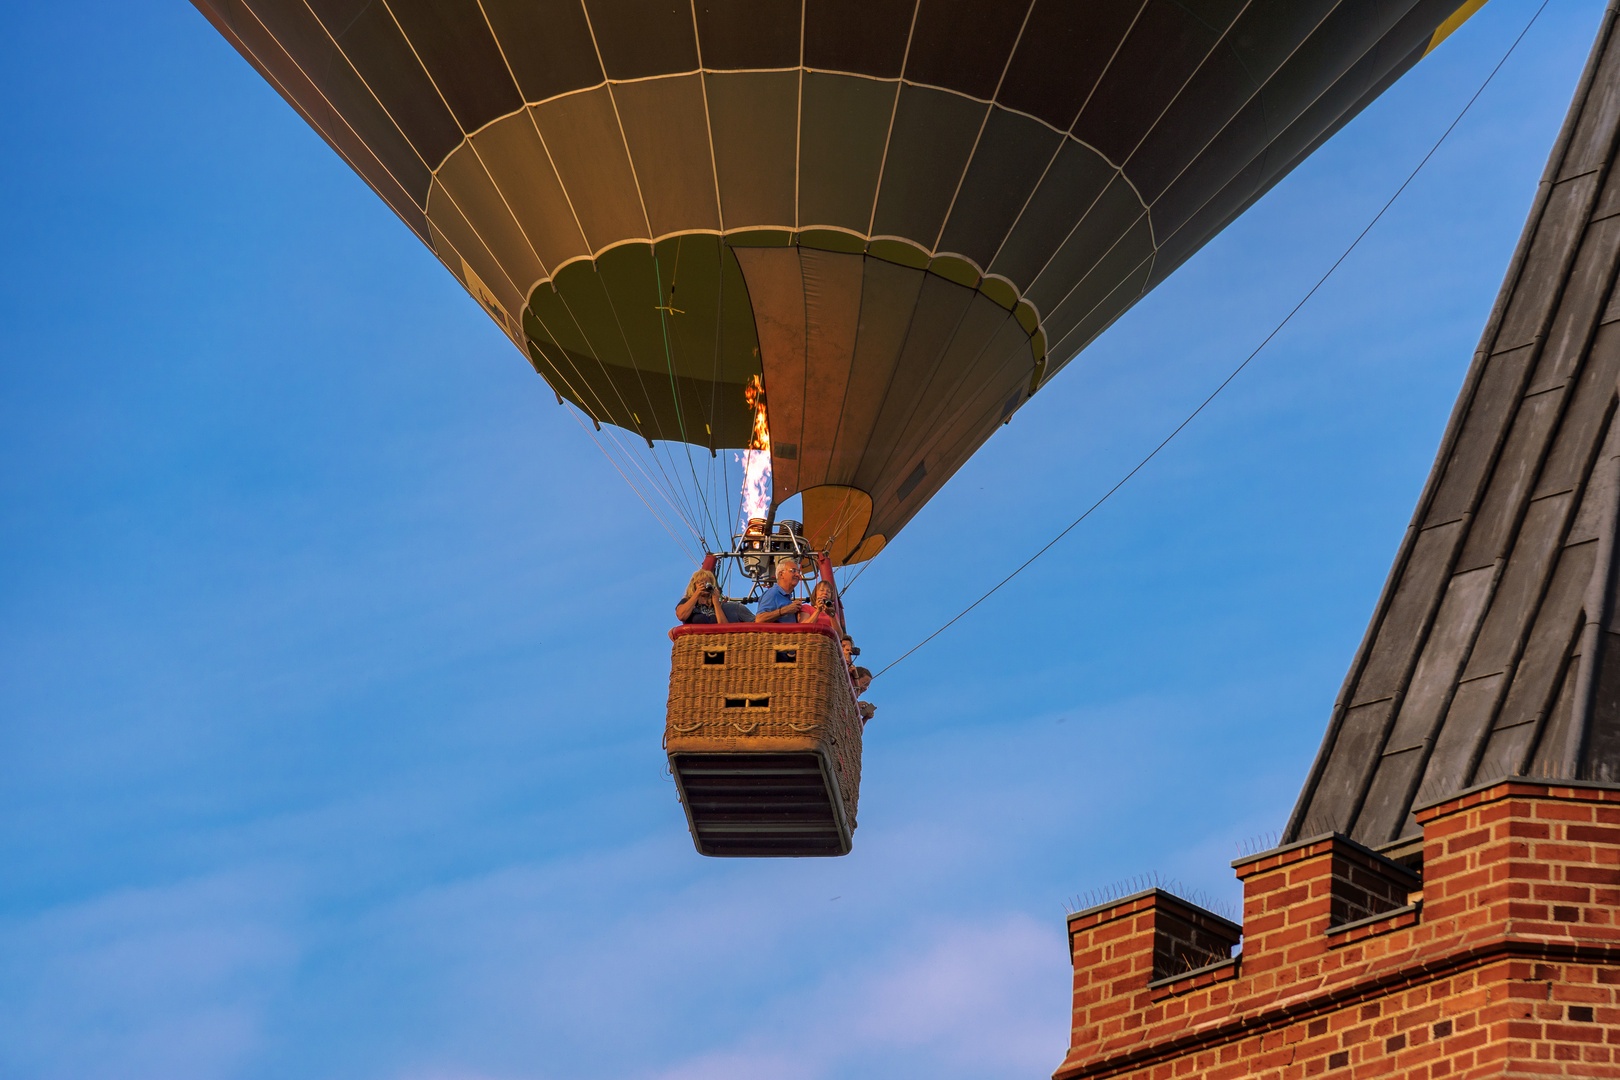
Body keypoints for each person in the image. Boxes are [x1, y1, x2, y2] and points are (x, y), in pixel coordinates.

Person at [675, 569, 752, 625]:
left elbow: (724, 627)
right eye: (700, 583)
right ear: (694, 586)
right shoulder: (687, 601)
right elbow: (681, 616)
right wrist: (696, 595)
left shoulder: (717, 605)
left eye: (707, 583)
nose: (704, 586)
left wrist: (716, 602)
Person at [753, 558, 812, 623]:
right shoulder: (773, 593)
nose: (798, 575)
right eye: (793, 571)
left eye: (798, 572)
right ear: (781, 574)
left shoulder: (785, 597)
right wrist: (784, 610)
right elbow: (759, 619)